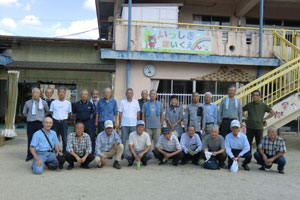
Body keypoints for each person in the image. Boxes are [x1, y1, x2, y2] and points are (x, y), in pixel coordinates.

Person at [23, 87, 49, 161]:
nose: (36, 94)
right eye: (34, 92)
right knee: (30, 139)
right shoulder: (27, 102)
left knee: (40, 140)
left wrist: (42, 117)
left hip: (40, 123)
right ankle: (29, 155)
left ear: (40, 94)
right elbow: (24, 113)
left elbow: (47, 111)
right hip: (31, 123)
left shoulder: (44, 103)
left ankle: (40, 155)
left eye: (37, 92)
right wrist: (30, 117)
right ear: (32, 94)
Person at [50, 87, 72, 155]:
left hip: (64, 122)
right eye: (60, 92)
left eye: (63, 92)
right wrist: (56, 118)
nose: (61, 93)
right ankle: (54, 151)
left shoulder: (68, 103)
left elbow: (69, 113)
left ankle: (65, 152)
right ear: (57, 93)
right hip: (55, 122)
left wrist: (63, 119)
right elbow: (51, 112)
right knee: (53, 137)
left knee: (64, 138)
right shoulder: (53, 102)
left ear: (65, 93)